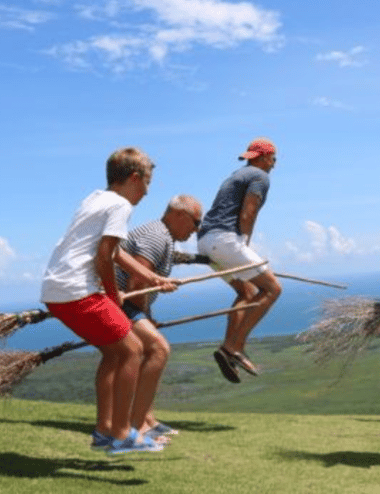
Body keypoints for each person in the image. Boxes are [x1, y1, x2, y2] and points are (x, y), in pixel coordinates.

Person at [40, 147, 177, 454]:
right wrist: (114, 298)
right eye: (147, 183)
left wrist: (153, 278)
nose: (146, 192)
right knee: (134, 349)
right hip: (78, 289)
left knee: (114, 354)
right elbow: (105, 257)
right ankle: (121, 432)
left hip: (57, 289)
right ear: (134, 178)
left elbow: (115, 252)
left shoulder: (95, 198)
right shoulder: (119, 206)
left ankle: (104, 430)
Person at [115, 194, 203, 442]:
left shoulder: (163, 235)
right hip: (118, 302)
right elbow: (137, 282)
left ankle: (146, 418)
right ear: (179, 216)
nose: (196, 230)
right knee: (158, 349)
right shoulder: (156, 236)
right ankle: (136, 426)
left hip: (125, 302)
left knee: (148, 352)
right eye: (195, 223)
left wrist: (147, 317)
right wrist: (144, 316)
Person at [197, 137, 282, 383]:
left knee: (246, 292)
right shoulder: (260, 177)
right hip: (225, 240)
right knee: (272, 288)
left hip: (206, 241)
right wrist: (244, 242)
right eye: (274, 159)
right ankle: (234, 346)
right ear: (265, 158)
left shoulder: (237, 175)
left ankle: (230, 347)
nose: (274, 164)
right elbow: (249, 211)